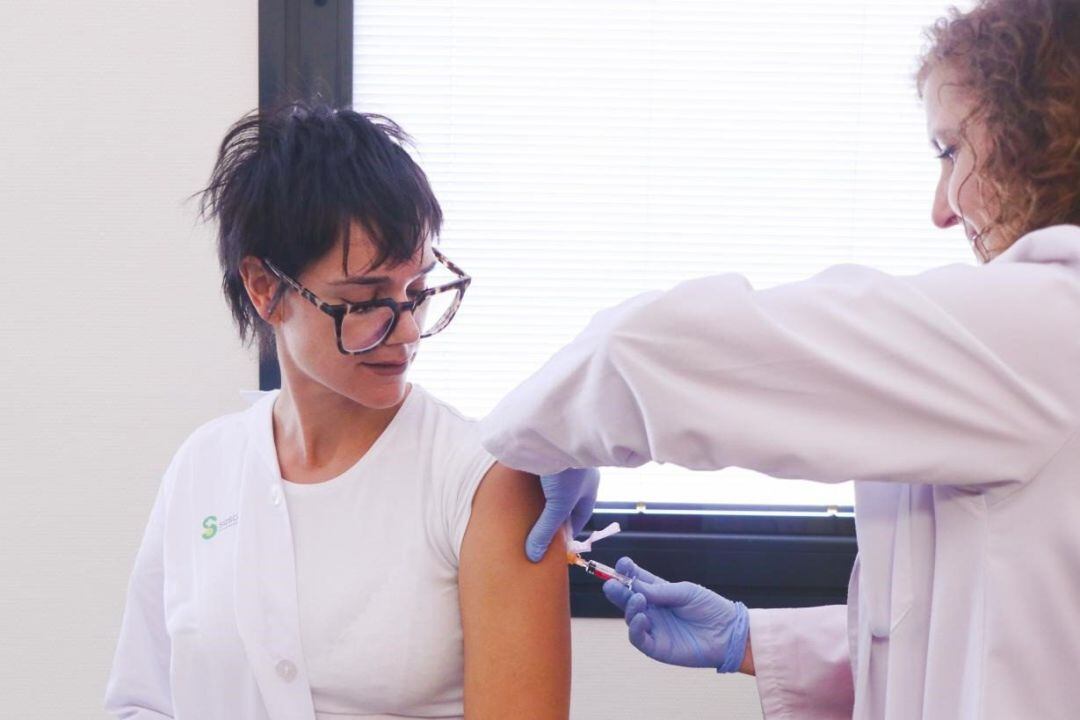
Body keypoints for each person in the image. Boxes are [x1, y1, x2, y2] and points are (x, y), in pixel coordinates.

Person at [479, 0, 1080, 717]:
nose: (942, 209)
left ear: (1038, 132)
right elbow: (992, 631)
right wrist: (750, 637)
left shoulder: (1043, 328)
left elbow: (661, 351)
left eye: (951, 150)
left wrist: (534, 437)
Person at [105, 103, 571, 720]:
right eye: (366, 299)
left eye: (417, 291)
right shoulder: (203, 466)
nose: (406, 330)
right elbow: (142, 701)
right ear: (265, 288)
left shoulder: (484, 481)